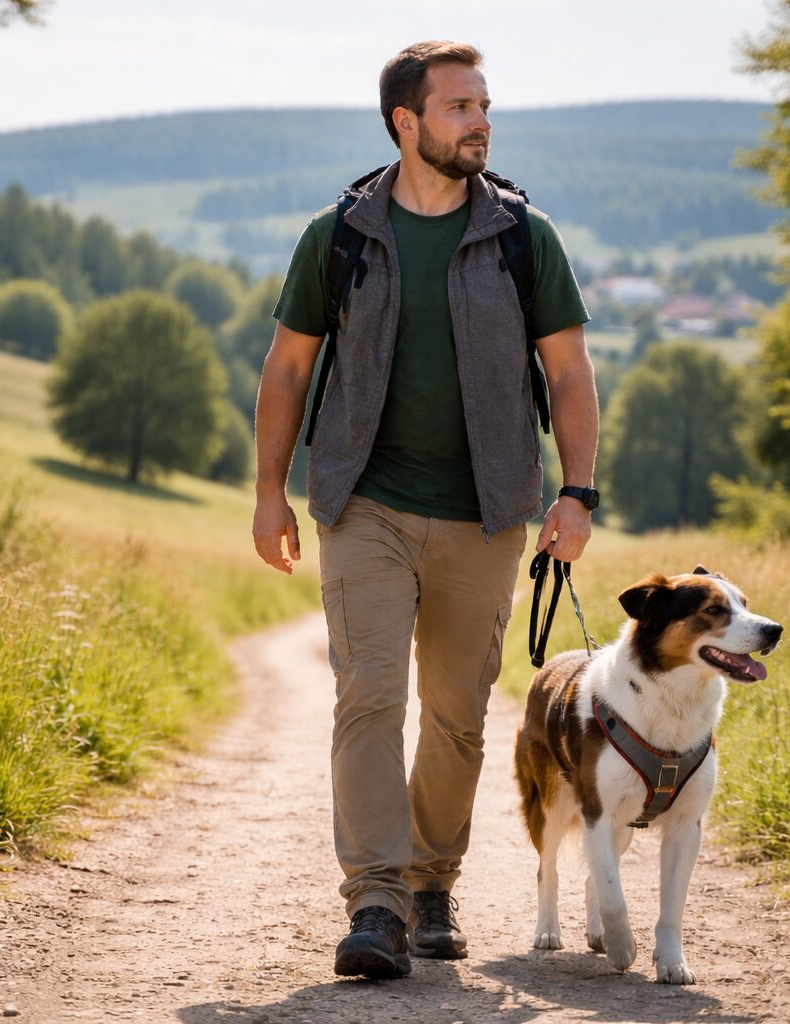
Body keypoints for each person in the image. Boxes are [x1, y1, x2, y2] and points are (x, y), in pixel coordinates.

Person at [249, 40, 599, 979]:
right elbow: (287, 367)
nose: (480, 121)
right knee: (369, 692)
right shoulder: (342, 237)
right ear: (405, 123)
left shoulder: (525, 237)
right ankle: (375, 899)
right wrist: (268, 492)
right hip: (364, 501)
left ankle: (433, 881)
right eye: (458, 108)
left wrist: (576, 489)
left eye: (484, 105)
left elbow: (567, 370)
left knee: (455, 714)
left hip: (487, 512)